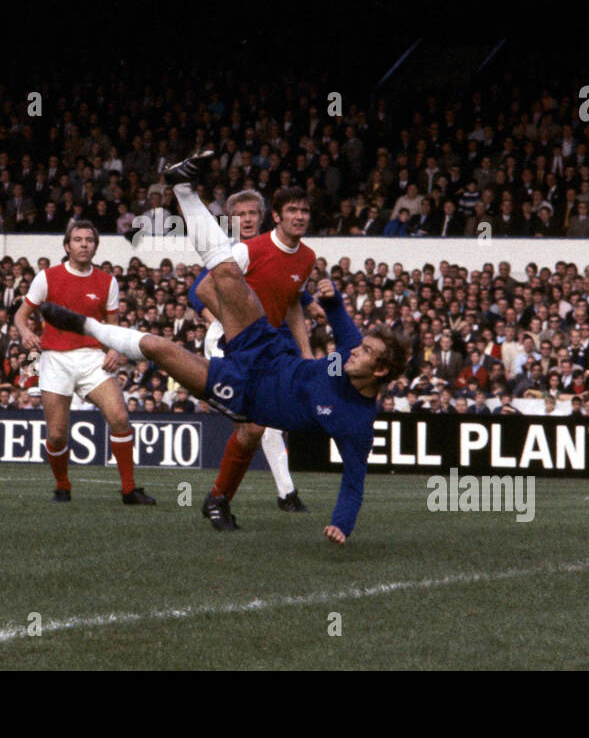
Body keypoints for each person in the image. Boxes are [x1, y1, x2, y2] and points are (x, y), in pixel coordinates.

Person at [41, 152, 407, 543]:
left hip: (249, 387)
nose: (354, 352)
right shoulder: (260, 252)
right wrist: (326, 306)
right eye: (291, 210)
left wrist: (342, 524)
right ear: (278, 216)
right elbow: (209, 289)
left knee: (164, 353)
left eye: (366, 353)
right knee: (227, 272)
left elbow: (354, 483)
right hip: (258, 341)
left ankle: (84, 325)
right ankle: (182, 185)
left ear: (381, 372)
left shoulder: (356, 423)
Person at [188, 187, 316, 515]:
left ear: (263, 216)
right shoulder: (239, 251)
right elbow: (200, 290)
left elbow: (292, 301)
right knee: (255, 425)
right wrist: (235, 326)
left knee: (264, 423)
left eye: (251, 214)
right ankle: (229, 499)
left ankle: (229, 498)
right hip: (232, 343)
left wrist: (305, 349)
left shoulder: (302, 255)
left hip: (267, 346)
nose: (246, 219)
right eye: (240, 214)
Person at [14, 220, 154, 505]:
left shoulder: (107, 281)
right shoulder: (47, 277)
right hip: (55, 359)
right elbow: (21, 315)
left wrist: (114, 349)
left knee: (119, 418)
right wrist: (26, 331)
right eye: (77, 240)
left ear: (95, 246)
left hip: (93, 359)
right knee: (55, 435)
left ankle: (129, 489)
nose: (83, 244)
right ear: (67, 246)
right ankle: (62, 486)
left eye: (89, 240)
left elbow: (113, 326)